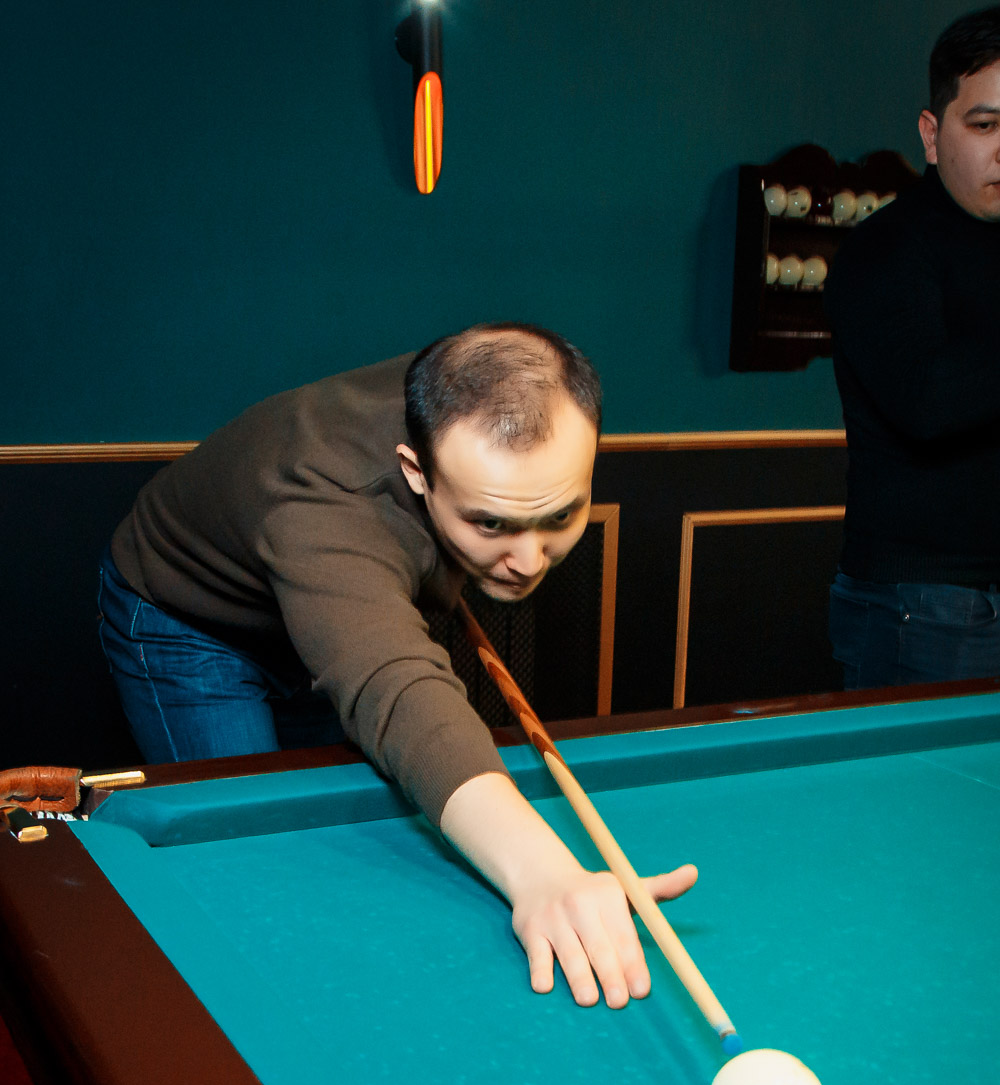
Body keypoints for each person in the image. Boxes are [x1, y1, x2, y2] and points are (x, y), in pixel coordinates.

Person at [99, 322, 697, 1009]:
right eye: (491, 523)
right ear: (416, 472)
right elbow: (394, 685)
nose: (530, 562)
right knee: (253, 865)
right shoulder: (324, 505)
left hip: (329, 613)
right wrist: (544, 874)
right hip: (191, 623)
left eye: (559, 516)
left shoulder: (480, 386)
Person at [825, 6, 1000, 689]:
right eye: (985, 125)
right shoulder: (884, 250)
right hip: (925, 606)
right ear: (932, 134)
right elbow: (930, 404)